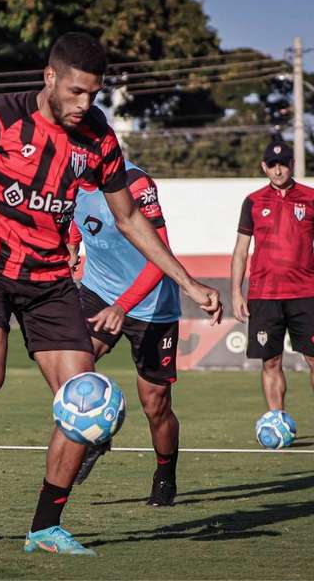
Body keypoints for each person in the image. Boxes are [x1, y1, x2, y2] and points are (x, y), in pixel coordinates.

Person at [0, 32, 223, 556]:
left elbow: (129, 219)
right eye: (75, 92)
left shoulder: (98, 138)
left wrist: (188, 282)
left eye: (93, 94)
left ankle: (45, 527)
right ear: (49, 78)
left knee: (83, 400)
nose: (84, 104)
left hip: (50, 283)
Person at [65, 160, 182, 506]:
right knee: (71, 365)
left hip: (152, 306)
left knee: (155, 404)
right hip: (97, 291)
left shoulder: (134, 181)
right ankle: (97, 436)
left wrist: (123, 306)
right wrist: (72, 246)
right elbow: (75, 216)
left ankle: (165, 474)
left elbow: (161, 256)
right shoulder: (66, 178)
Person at [231, 140, 314, 441]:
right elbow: (241, 250)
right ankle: (278, 424)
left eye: (283, 163)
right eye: (272, 164)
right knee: (271, 361)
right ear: (264, 167)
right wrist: (236, 292)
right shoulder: (252, 201)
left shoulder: (312, 198)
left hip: (305, 293)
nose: (278, 169)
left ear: (292, 164)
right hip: (263, 295)